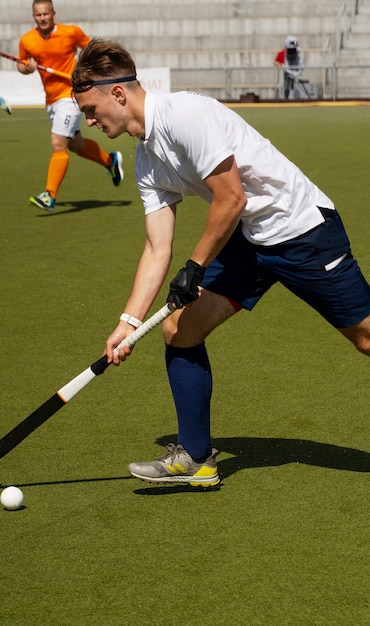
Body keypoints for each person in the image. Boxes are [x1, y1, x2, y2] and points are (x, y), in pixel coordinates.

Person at [72, 39, 370, 488]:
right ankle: (195, 457)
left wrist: (194, 267)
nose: (89, 121)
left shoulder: (185, 116)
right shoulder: (145, 157)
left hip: (301, 229)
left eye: (91, 109)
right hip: (248, 238)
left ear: (117, 93)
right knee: (179, 329)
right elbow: (157, 247)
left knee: (366, 338)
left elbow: (232, 197)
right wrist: (128, 322)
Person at [18, 0, 123, 211]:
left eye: (46, 14)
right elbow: (21, 63)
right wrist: (26, 68)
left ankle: (49, 195)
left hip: (72, 95)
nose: (43, 18)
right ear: (33, 17)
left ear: (53, 13)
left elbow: (92, 50)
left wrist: (88, 73)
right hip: (51, 100)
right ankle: (110, 162)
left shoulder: (70, 33)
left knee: (58, 143)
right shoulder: (28, 40)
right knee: (76, 145)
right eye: (39, 15)